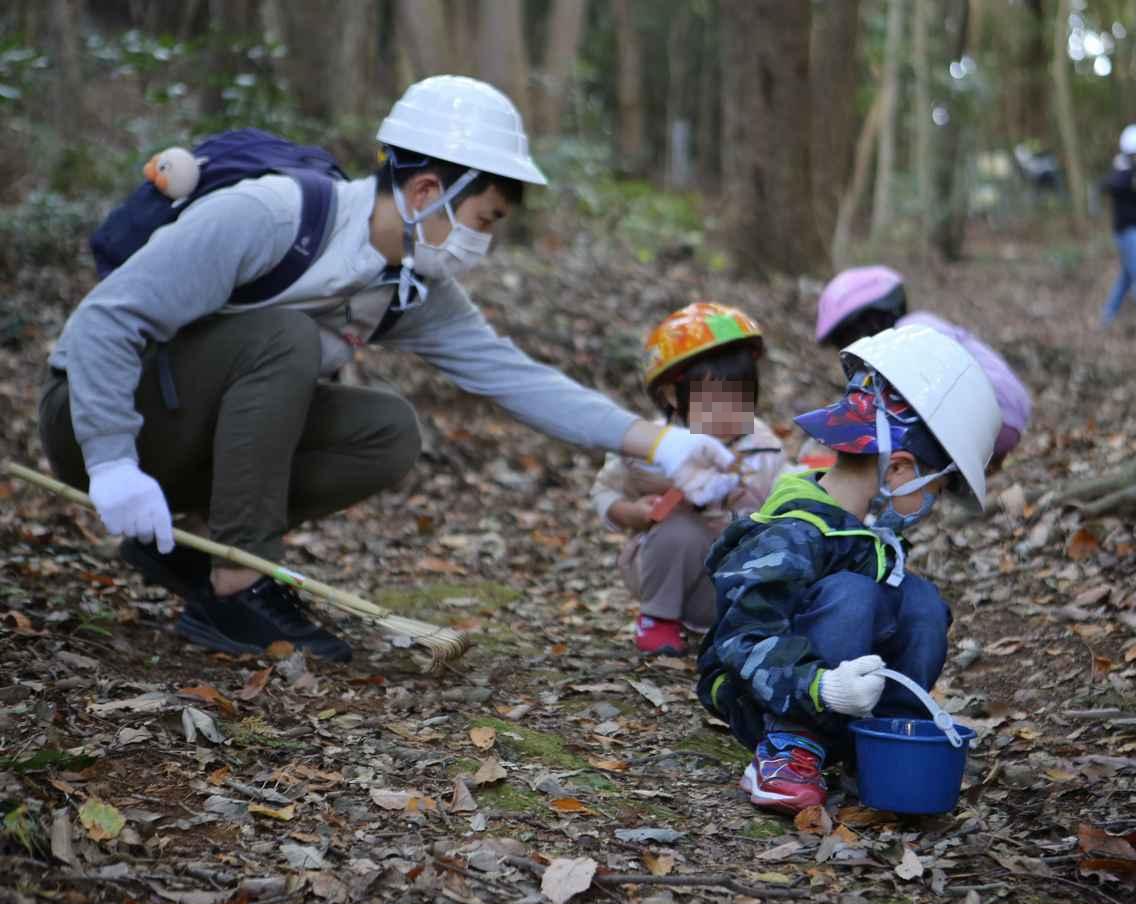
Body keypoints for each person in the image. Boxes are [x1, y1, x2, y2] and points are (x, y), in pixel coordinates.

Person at [37, 75, 735, 662]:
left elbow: (517, 378)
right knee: (284, 340)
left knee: (386, 429)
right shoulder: (271, 215)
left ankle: (198, 556)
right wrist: (109, 461)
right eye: (484, 220)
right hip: (91, 416)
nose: (483, 244)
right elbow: (106, 320)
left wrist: (664, 443)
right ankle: (233, 591)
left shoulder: (409, 284)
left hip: (176, 436)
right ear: (428, 193)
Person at [695, 324, 1002, 815]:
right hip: (764, 695)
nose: (931, 505)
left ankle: (885, 742)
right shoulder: (794, 531)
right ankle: (788, 752)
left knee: (921, 601)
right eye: (936, 489)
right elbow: (740, 640)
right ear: (899, 469)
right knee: (853, 594)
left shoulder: (867, 537)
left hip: (845, 701)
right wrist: (821, 688)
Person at [591, 303, 789, 657]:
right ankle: (659, 619)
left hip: (737, 576)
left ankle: (746, 626)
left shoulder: (764, 446)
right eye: (713, 402)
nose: (729, 413)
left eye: (742, 399)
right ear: (671, 396)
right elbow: (605, 490)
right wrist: (631, 513)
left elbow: (782, 495)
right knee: (680, 530)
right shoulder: (649, 444)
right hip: (672, 569)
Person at [811, 265, 1030, 466]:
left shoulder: (913, 329)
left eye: (848, 338)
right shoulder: (910, 334)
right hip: (999, 417)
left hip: (995, 412)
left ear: (871, 321)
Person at [1099, 123, 1136, 326]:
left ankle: (1107, 317)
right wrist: (1130, 173)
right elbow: (1107, 185)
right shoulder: (1122, 172)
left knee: (1126, 279)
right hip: (1128, 233)